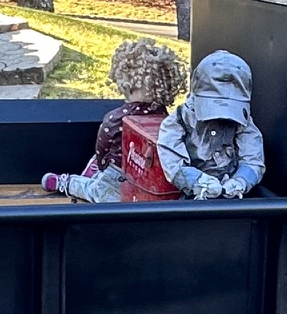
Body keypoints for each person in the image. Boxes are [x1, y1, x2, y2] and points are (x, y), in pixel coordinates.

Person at [42, 38, 187, 202]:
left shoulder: (116, 118)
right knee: (101, 194)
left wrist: (102, 162)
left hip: (135, 174)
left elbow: (102, 145)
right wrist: (103, 165)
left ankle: (95, 170)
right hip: (119, 173)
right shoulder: (166, 117)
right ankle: (69, 183)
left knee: (115, 197)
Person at [157, 50, 264, 200]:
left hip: (233, 194)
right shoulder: (182, 118)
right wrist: (196, 180)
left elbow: (253, 158)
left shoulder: (243, 123)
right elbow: (171, 157)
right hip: (194, 194)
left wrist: (241, 180)